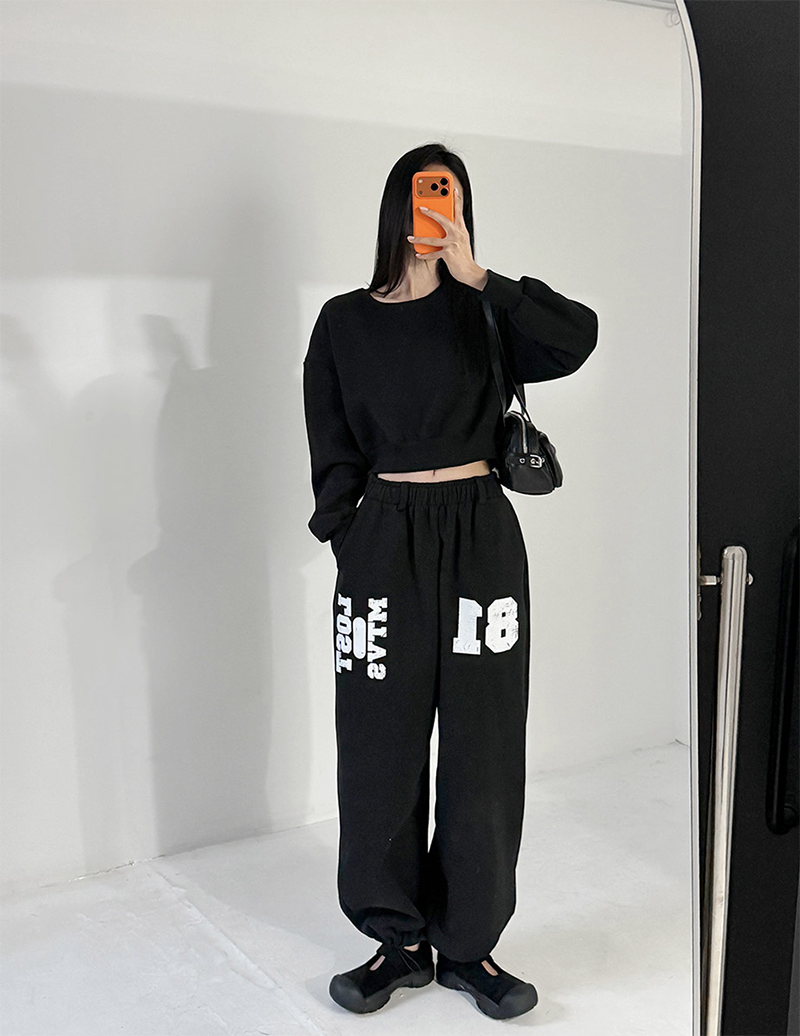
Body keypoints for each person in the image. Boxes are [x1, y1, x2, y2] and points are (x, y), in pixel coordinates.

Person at [302, 144, 598, 1020]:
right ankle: (396, 942)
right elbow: (330, 444)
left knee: (485, 745)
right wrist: (350, 538)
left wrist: (481, 276)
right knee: (378, 743)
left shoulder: (485, 311)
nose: (436, 211)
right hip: (383, 542)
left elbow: (577, 337)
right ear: (396, 207)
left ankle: (470, 947)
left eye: (452, 199)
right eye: (426, 196)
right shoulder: (343, 322)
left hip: (479, 540)